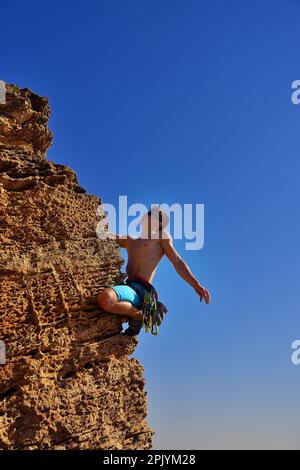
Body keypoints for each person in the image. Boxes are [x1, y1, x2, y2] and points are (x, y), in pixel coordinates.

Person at [97, 206, 210, 336]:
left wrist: (195, 284)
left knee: (106, 298)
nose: (147, 216)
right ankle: (134, 314)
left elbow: (177, 261)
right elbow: (107, 236)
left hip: (143, 290)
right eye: (149, 214)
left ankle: (139, 315)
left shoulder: (161, 236)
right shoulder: (130, 240)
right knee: (106, 301)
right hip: (129, 286)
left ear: (159, 224)